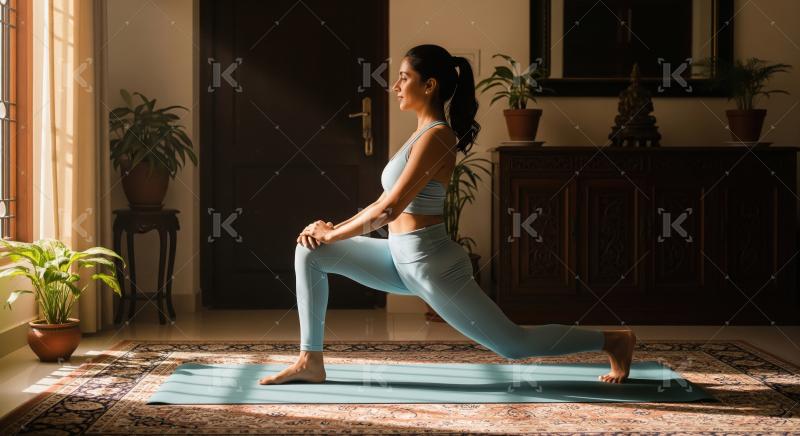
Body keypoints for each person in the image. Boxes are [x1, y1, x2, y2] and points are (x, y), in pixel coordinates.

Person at [259, 44, 636, 386]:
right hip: (397, 256)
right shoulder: (419, 134)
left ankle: (613, 339)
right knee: (309, 251)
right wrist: (327, 229)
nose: (395, 86)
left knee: (514, 345)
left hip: (430, 265)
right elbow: (384, 200)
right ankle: (310, 360)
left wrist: (332, 234)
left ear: (430, 85)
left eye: (404, 78)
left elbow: (389, 210)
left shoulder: (438, 137)